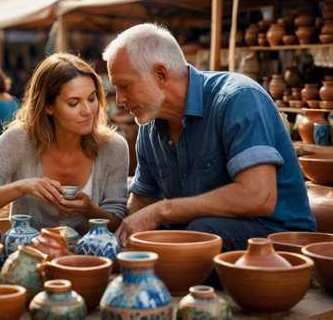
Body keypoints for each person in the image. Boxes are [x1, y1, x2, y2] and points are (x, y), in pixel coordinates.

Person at [102, 23, 316, 251]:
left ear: (161, 75)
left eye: (124, 86)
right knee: (160, 237)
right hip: (201, 231)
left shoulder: (237, 98)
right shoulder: (150, 126)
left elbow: (258, 197)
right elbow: (141, 205)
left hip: (278, 236)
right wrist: (104, 231)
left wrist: (163, 210)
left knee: (200, 233)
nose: (120, 100)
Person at [0, 53, 129, 235]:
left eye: (92, 98)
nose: (87, 111)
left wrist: (89, 209)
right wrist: (23, 186)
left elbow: (117, 224)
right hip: (28, 260)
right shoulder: (19, 139)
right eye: (73, 103)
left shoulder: (113, 148)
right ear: (48, 106)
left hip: (89, 262)